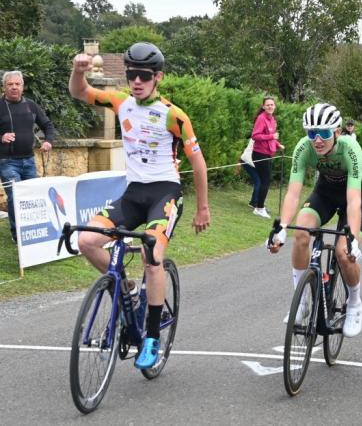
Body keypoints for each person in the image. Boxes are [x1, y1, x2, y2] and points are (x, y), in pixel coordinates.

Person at [69, 42, 211, 369]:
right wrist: (78, 72)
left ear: (157, 77)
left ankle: (151, 336)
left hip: (165, 194)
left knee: (151, 256)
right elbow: (81, 93)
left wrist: (203, 208)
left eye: (143, 76)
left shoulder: (174, 116)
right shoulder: (120, 102)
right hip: (133, 195)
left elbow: (198, 164)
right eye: (131, 74)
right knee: (87, 240)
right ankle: (129, 291)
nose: (136, 81)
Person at [267, 103, 362, 337]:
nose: (317, 140)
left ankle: (354, 303)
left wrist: (352, 237)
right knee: (300, 233)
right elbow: (293, 192)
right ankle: (301, 302)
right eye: (312, 133)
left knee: (344, 253)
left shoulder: (350, 149)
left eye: (323, 133)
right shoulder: (304, 148)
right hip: (324, 194)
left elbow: (353, 200)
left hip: (353, 196)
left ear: (337, 132)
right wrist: (281, 227)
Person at [0, 70, 55, 244]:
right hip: (7, 162)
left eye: (17, 84)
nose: (14, 87)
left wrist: (48, 141)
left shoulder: (31, 105)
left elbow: (47, 125)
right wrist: (1, 137)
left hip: (29, 160)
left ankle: (33, 230)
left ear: (23, 87)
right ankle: (18, 235)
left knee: (33, 196)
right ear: (4, 87)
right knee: (16, 196)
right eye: (10, 84)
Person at [251, 97, 283, 219]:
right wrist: (271, 136)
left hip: (268, 154)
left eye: (272, 105)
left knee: (265, 181)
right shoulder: (261, 118)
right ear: (263, 106)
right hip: (259, 154)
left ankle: (259, 205)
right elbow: (255, 136)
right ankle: (259, 208)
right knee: (265, 181)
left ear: (274, 106)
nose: (270, 107)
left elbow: (272, 138)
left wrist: (278, 145)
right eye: (268, 105)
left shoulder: (272, 120)